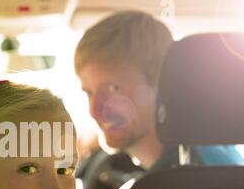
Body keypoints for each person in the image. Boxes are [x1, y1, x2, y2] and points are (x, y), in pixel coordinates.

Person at [74, 10, 243, 172]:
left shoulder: (172, 188)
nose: (94, 110)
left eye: (114, 88)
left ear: (161, 84)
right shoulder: (210, 152)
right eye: (89, 92)